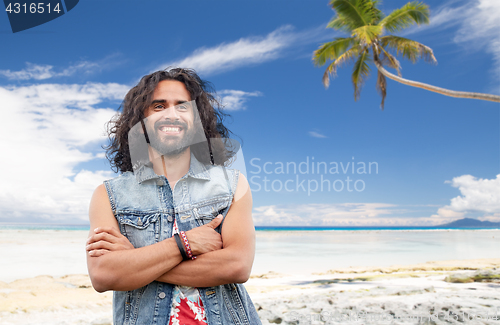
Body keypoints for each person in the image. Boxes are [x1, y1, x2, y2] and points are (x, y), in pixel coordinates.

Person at [86, 68, 261, 324]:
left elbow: (237, 266)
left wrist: (135, 259)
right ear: (140, 120)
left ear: (196, 118)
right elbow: (103, 275)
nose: (171, 114)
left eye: (182, 106)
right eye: (158, 106)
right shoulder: (108, 195)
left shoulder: (232, 185)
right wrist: (185, 243)